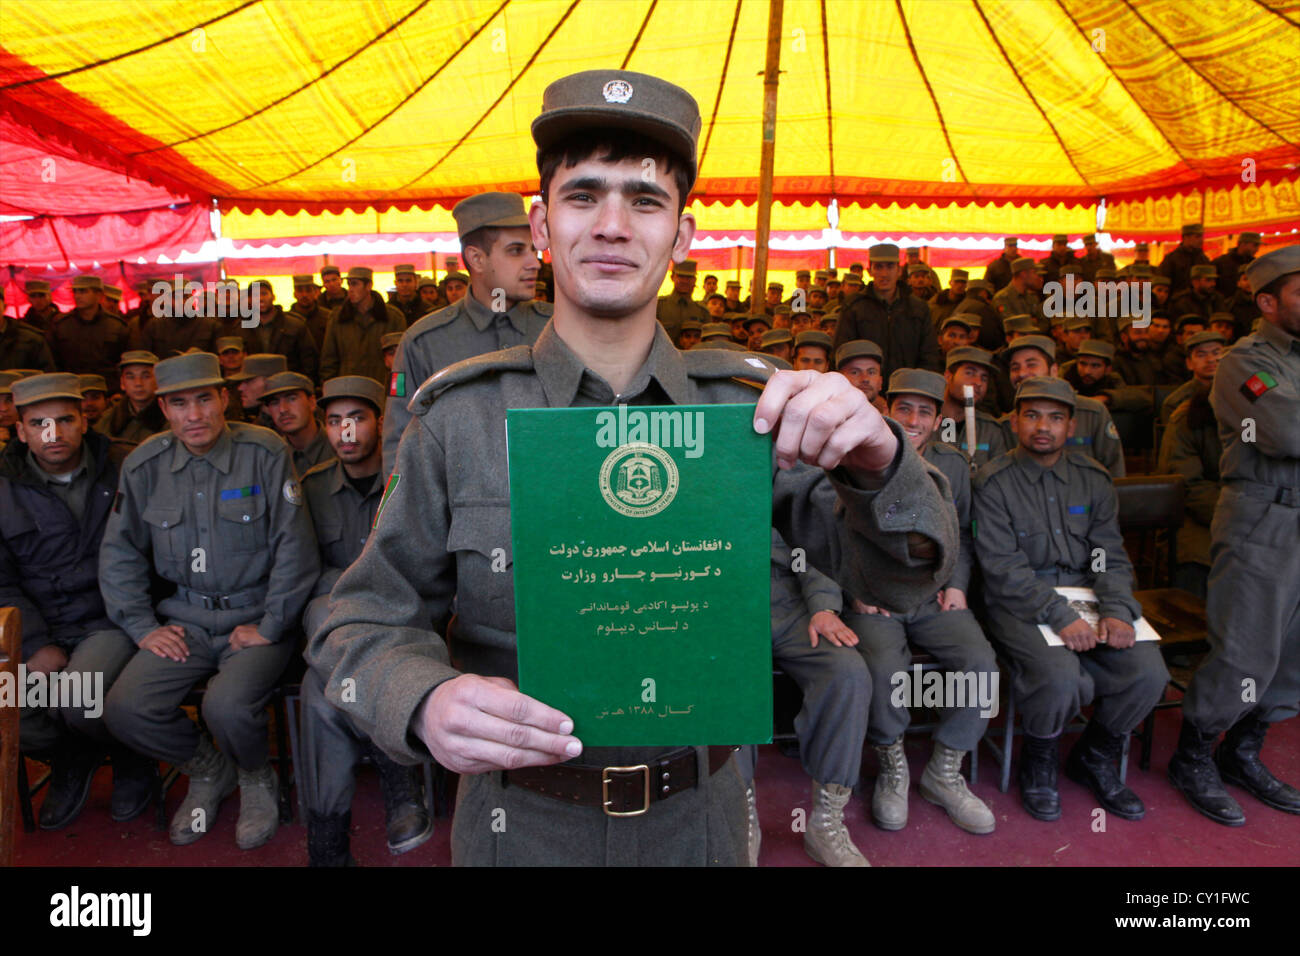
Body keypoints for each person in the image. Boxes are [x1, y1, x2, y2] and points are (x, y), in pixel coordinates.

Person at [310, 68, 957, 868]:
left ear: (683, 236)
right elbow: (357, 623)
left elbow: (906, 579)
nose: (613, 225)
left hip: (701, 826)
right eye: (584, 196)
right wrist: (422, 698)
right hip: (523, 830)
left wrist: (878, 460)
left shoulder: (753, 415)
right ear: (543, 227)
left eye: (646, 201)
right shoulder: (461, 418)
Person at [100, 352, 319, 849]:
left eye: (204, 399)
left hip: (256, 616)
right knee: (126, 707)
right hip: (186, 618)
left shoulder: (264, 451)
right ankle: (207, 769)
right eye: (180, 403)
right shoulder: (144, 465)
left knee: (227, 706)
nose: (194, 415)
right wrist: (140, 626)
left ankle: (255, 776)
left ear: (224, 399)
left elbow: (295, 545)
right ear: (163, 408)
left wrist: (271, 623)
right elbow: (119, 555)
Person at [974, 376, 1168, 822]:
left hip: (1089, 595)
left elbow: (1109, 556)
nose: (1044, 426)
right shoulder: (993, 481)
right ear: (1014, 421)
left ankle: (1095, 755)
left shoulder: (1093, 479)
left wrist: (1118, 610)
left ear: (1071, 424)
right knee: (1060, 678)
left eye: (1056, 417)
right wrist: (1058, 615)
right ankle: (1038, 760)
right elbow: (1002, 568)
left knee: (1147, 672)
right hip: (1021, 602)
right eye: (1033, 415)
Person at [1167, 245, 1300, 827]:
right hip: (1261, 517)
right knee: (1246, 648)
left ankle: (1242, 751)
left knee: (1294, 654)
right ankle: (1192, 755)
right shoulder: (1242, 363)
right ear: (1268, 303)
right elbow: (1288, 432)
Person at [847, 368, 998, 836]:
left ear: (937, 420)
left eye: (924, 411)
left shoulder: (953, 465)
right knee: (882, 671)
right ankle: (893, 763)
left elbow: (966, 536)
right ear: (886, 410)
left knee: (981, 666)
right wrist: (854, 591)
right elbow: (830, 533)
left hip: (935, 594)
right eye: (903, 408)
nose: (913, 419)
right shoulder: (856, 456)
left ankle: (944, 770)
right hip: (873, 596)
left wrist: (958, 585)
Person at [1, 373, 155, 829]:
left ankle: (131, 757)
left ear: (84, 421)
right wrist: (33, 644)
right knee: (10, 704)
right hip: (42, 623)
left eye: (65, 420)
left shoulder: (125, 466)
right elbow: (2, 581)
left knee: (76, 695)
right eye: (39, 423)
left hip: (110, 619)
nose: (54, 433)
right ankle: (73, 757)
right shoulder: (3, 486)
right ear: (20, 429)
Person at [298, 375, 432, 865]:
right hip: (332, 613)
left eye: (356, 418)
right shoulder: (311, 488)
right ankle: (398, 779)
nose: (345, 432)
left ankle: (327, 844)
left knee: (320, 694)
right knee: (327, 632)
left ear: (379, 421)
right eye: (334, 421)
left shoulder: (408, 481)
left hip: (400, 615)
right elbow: (301, 569)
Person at [383, 192, 550, 477]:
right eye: (516, 250)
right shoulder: (425, 343)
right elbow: (400, 445)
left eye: (533, 250)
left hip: (549, 506)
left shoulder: (558, 329)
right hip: (459, 516)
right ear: (477, 258)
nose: (534, 263)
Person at [744, 530, 872, 866]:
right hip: (728, 601)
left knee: (847, 674)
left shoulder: (794, 478)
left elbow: (815, 548)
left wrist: (824, 606)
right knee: (730, 681)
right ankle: (738, 811)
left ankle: (825, 821)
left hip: (794, 601)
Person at [997, 335, 1126, 477]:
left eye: (1031, 364)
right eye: (1015, 367)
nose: (1021, 373)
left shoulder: (1092, 412)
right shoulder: (1007, 424)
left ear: (1054, 371)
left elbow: (1115, 469)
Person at [831, 243, 942, 378]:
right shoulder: (854, 307)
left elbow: (929, 356)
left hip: (908, 390)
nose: (884, 274)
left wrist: (915, 390)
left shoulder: (918, 308)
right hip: (865, 390)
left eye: (890, 266)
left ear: (899, 270)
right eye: (878, 267)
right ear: (869, 271)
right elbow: (842, 354)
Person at [1156, 380, 1220, 598]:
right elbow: (1188, 485)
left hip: (1257, 511)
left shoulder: (1258, 422)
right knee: (1198, 560)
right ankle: (1198, 627)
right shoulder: (1188, 419)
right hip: (1197, 515)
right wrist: (1237, 513)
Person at [320, 267, 407, 385]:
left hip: (382, 390)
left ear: (369, 286)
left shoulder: (393, 318)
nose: (350, 290)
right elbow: (328, 361)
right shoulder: (338, 318)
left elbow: (401, 364)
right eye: (349, 284)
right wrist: (331, 392)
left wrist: (398, 395)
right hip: (349, 391)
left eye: (355, 284)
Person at [47, 275, 130, 391]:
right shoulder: (61, 325)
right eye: (75, 292)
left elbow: (124, 364)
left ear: (99, 295)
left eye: (83, 291)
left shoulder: (116, 326)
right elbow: (52, 363)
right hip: (72, 389)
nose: (77, 296)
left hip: (107, 391)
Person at [937, 346, 1010, 469]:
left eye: (984, 378)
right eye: (969, 373)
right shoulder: (926, 423)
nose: (978, 382)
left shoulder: (990, 430)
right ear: (948, 376)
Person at [94, 350, 167, 464]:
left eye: (146, 376)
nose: (138, 383)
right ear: (122, 383)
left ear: (158, 380)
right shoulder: (109, 420)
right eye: (130, 377)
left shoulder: (171, 417)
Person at [244, 280, 319, 383]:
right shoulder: (242, 328)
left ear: (273, 296)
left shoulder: (295, 325)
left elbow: (310, 360)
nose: (260, 298)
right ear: (249, 299)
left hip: (288, 384)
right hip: (256, 386)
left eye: (264, 294)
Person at [261, 371, 333, 476]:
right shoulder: (270, 457)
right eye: (274, 402)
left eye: (292, 399)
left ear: (312, 403)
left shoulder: (339, 448)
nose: (282, 409)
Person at [140, 278, 220, 360]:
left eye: (185, 296)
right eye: (176, 297)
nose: (181, 302)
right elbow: (146, 358)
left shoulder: (209, 325)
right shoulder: (154, 326)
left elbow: (216, 360)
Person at [1158, 330, 1224, 425]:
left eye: (1216, 353)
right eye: (1201, 355)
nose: (1210, 359)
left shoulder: (1237, 393)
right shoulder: (1175, 403)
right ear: (1189, 363)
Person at [1, 289, 55, 371]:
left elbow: (47, 376)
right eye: (33, 296)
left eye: (41, 296)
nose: (37, 300)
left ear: (4, 307)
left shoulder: (30, 339)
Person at [656, 259, 709, 343]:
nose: (684, 281)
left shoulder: (702, 311)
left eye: (689, 277)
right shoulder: (658, 306)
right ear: (672, 277)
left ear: (695, 280)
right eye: (680, 276)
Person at [834, 339, 888, 414]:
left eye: (871, 372)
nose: (865, 379)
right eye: (854, 372)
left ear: (880, 382)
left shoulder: (888, 424)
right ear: (839, 380)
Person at [991, 258, 1044, 331]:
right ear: (1023, 274)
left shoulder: (1032, 297)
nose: (1036, 277)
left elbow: (1042, 323)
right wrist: (1032, 321)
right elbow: (1011, 324)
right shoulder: (1002, 298)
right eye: (1034, 272)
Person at [1160, 224, 1210, 296]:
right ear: (1186, 237)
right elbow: (1163, 284)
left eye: (1202, 237)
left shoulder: (1203, 259)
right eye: (1197, 237)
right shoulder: (1171, 259)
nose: (1201, 240)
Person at [289, 274, 332, 353]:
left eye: (308, 291)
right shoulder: (288, 321)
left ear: (315, 292)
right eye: (300, 291)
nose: (304, 295)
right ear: (294, 294)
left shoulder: (327, 317)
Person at [1211, 232, 1261, 300]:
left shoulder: (1256, 264)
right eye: (1255, 245)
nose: (1257, 249)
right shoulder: (1220, 262)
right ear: (1243, 244)